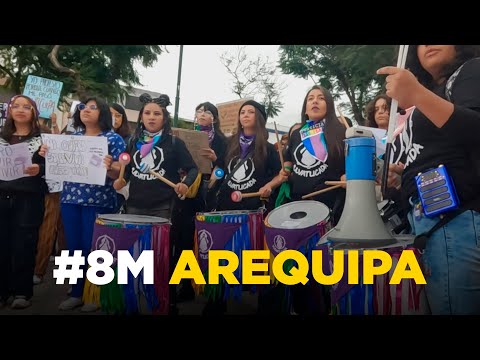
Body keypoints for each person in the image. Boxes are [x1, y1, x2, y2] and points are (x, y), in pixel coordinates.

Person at [379, 45, 480, 315]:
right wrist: (404, 173)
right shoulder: (435, 94)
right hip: (433, 225)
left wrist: (417, 94)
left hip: (457, 220)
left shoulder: (471, 71)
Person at [112, 93, 198, 315]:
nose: (151, 117)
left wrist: (185, 184)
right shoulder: (133, 142)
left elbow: (193, 169)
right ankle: (132, 301)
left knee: (162, 258)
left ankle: (165, 302)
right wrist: (121, 180)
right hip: (135, 205)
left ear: (164, 118)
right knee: (134, 257)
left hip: (163, 206)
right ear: (141, 117)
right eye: (147, 113)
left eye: (156, 114)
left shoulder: (174, 143)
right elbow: (127, 172)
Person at [40, 96, 126, 311]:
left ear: (103, 113)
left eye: (93, 107)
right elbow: (56, 163)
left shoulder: (113, 139)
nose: (86, 110)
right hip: (70, 199)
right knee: (73, 248)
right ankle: (76, 292)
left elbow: (119, 171)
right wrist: (47, 153)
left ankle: (95, 294)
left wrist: (111, 167)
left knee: (94, 249)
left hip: (99, 201)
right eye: (83, 107)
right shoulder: (72, 137)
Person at [268, 85, 348, 315]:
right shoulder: (297, 133)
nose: (314, 102)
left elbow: (351, 163)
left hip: (328, 206)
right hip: (297, 205)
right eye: (310, 98)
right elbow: (291, 163)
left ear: (329, 104)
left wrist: (347, 175)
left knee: (323, 270)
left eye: (321, 98)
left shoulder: (339, 130)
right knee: (298, 270)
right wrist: (285, 170)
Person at [203, 100, 281, 315]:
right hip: (227, 208)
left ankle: (265, 306)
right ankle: (216, 304)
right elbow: (221, 171)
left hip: (255, 210)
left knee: (256, 259)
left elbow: (278, 175)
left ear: (259, 117)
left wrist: (269, 186)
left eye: (251, 112)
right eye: (242, 112)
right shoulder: (229, 143)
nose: (245, 115)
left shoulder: (268, 148)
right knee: (223, 257)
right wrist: (214, 167)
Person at [172, 101, 227, 302]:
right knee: (183, 239)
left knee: (205, 240)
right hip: (186, 190)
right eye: (199, 111)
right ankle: (185, 284)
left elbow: (224, 169)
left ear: (214, 117)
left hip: (207, 192)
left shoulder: (221, 140)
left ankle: (206, 286)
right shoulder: (184, 136)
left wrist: (215, 161)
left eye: (207, 112)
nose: (202, 114)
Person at [0, 95, 47, 309]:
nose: (20, 110)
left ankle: (22, 292)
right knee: (2, 245)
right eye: (15, 106)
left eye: (26, 107)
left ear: (34, 112)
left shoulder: (44, 141)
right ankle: (3, 291)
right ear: (9, 111)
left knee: (24, 245)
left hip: (29, 198)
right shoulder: (1, 137)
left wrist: (41, 168)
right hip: (2, 197)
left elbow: (56, 169)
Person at [110, 103, 131, 213]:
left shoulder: (130, 140)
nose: (114, 118)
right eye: (110, 115)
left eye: (118, 115)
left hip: (119, 189)